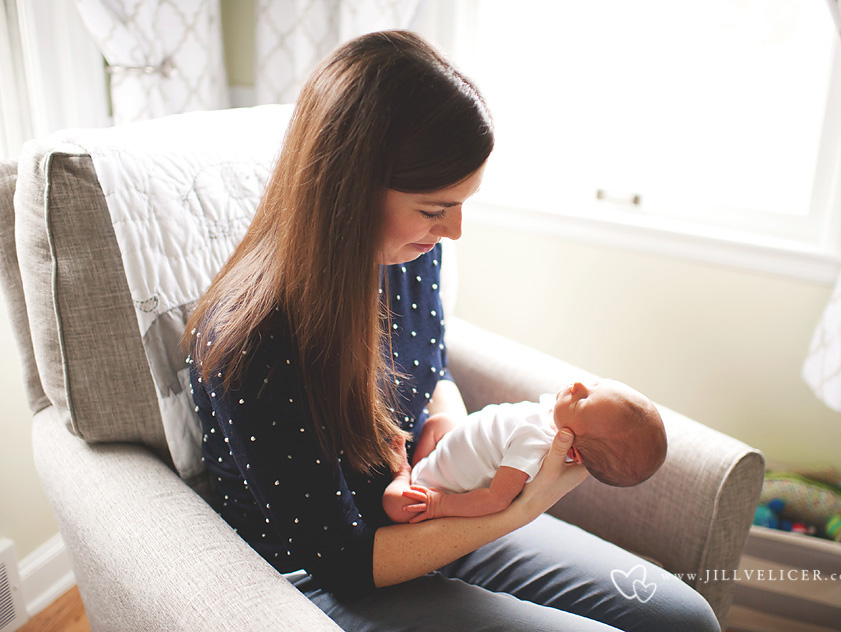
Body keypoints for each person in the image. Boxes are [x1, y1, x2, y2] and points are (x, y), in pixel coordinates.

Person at [185, 30, 720, 631]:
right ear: (349, 192)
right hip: (333, 573)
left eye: (465, 203)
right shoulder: (253, 340)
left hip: (431, 508)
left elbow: (429, 363)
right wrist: (517, 509)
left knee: (684, 619)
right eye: (436, 209)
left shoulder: (408, 255)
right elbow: (342, 560)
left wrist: (447, 419)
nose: (455, 231)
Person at [383, 380, 667, 524]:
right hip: (451, 447)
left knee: (396, 506)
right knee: (440, 422)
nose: (578, 385)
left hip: (436, 488)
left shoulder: (536, 445)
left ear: (573, 450)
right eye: (594, 384)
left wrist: (439, 504)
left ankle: (404, 473)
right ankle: (421, 464)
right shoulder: (553, 415)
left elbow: (496, 499)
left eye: (582, 402)